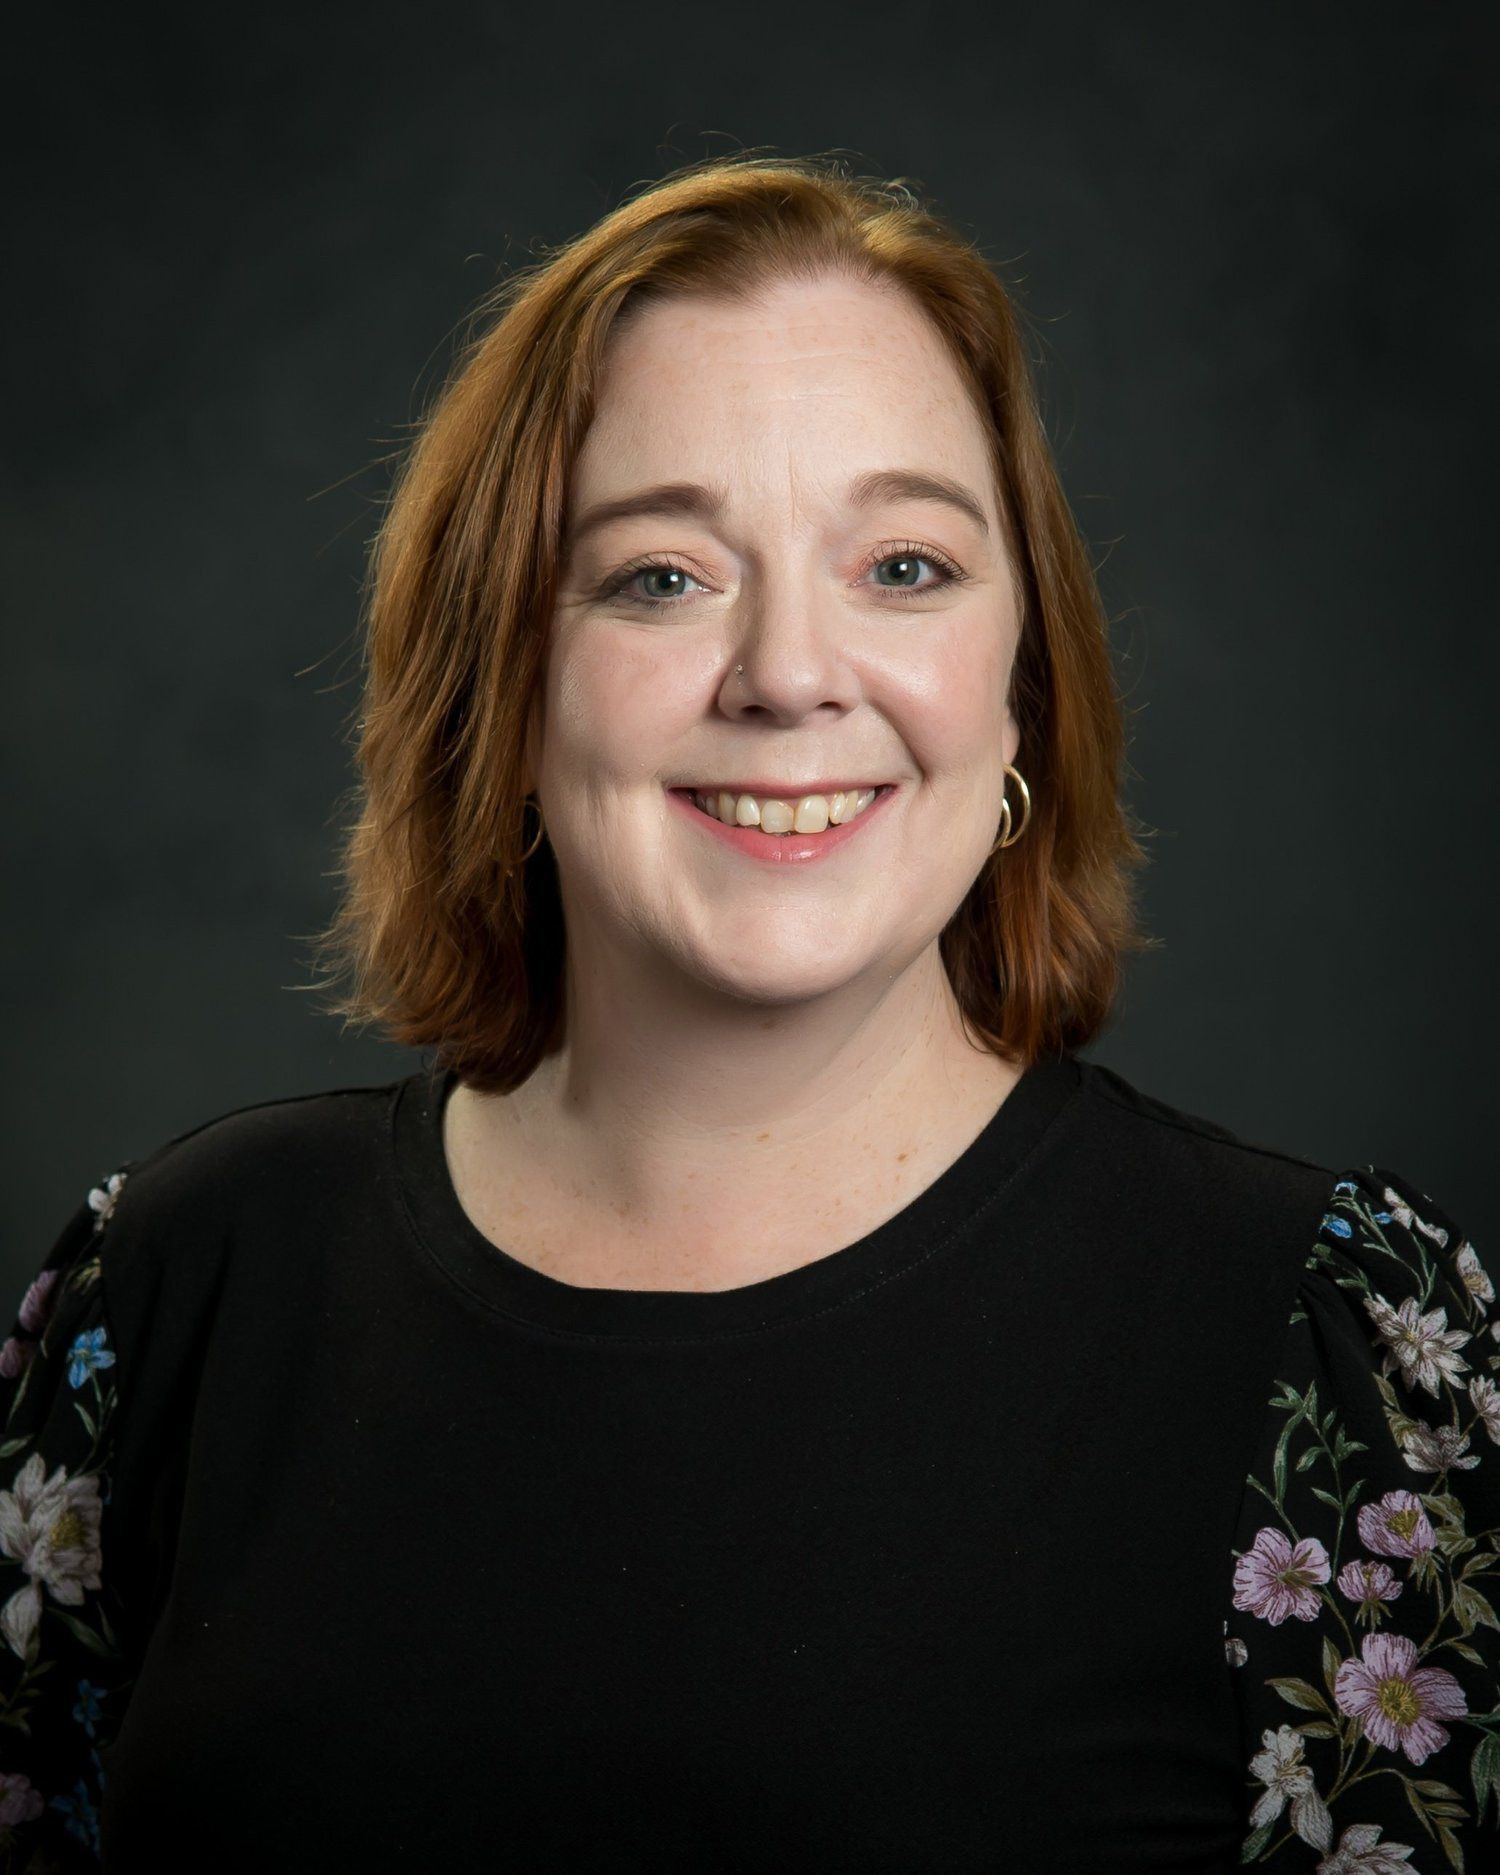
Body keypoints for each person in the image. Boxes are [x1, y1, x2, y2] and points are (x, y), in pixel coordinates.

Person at [2, 151, 1491, 1873]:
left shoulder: (1330, 1339)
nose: (789, 672)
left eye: (907, 567)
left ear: (1021, 688)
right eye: (661, 576)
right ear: (505, 680)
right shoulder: (175, 1284)